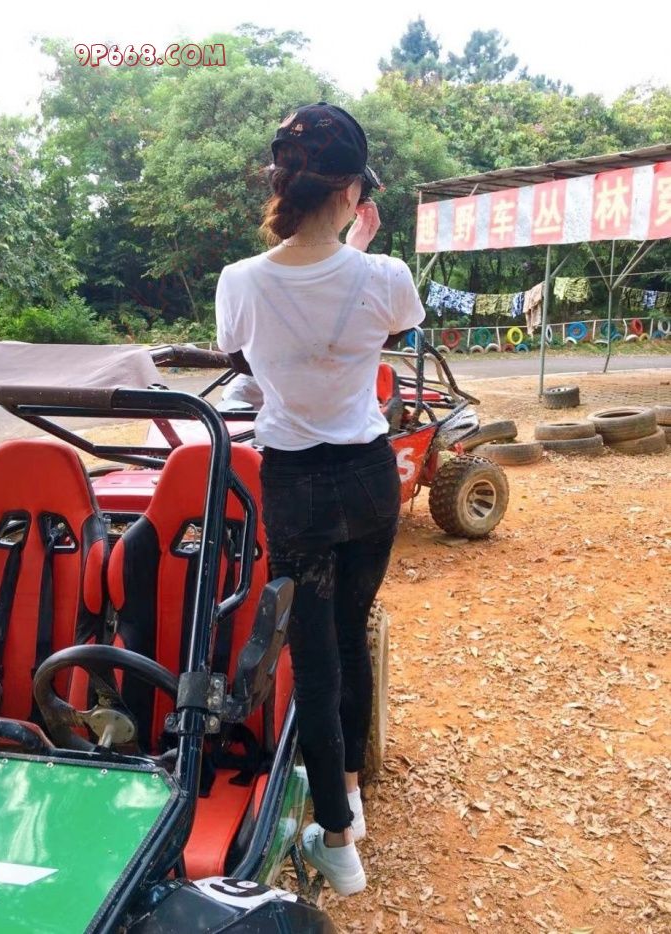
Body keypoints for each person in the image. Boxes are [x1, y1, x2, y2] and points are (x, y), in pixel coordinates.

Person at [215, 101, 425, 896]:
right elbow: (370, 312)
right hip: (369, 480)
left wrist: (342, 250)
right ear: (350, 191)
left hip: (296, 483)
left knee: (315, 655)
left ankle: (339, 839)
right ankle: (351, 802)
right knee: (350, 633)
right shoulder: (386, 276)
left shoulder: (240, 281)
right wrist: (357, 249)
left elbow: (246, 343)